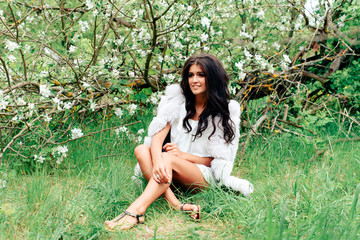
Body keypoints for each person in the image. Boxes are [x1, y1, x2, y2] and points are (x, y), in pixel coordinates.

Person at [105, 54, 253, 231]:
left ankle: (136, 211)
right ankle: (176, 204)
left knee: (167, 158)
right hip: (172, 167)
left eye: (201, 75)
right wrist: (159, 161)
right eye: (191, 75)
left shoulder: (225, 113)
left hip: (203, 175)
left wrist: (182, 156)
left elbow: (217, 161)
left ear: (212, 78)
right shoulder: (178, 103)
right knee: (142, 150)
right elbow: (157, 137)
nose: (194, 80)